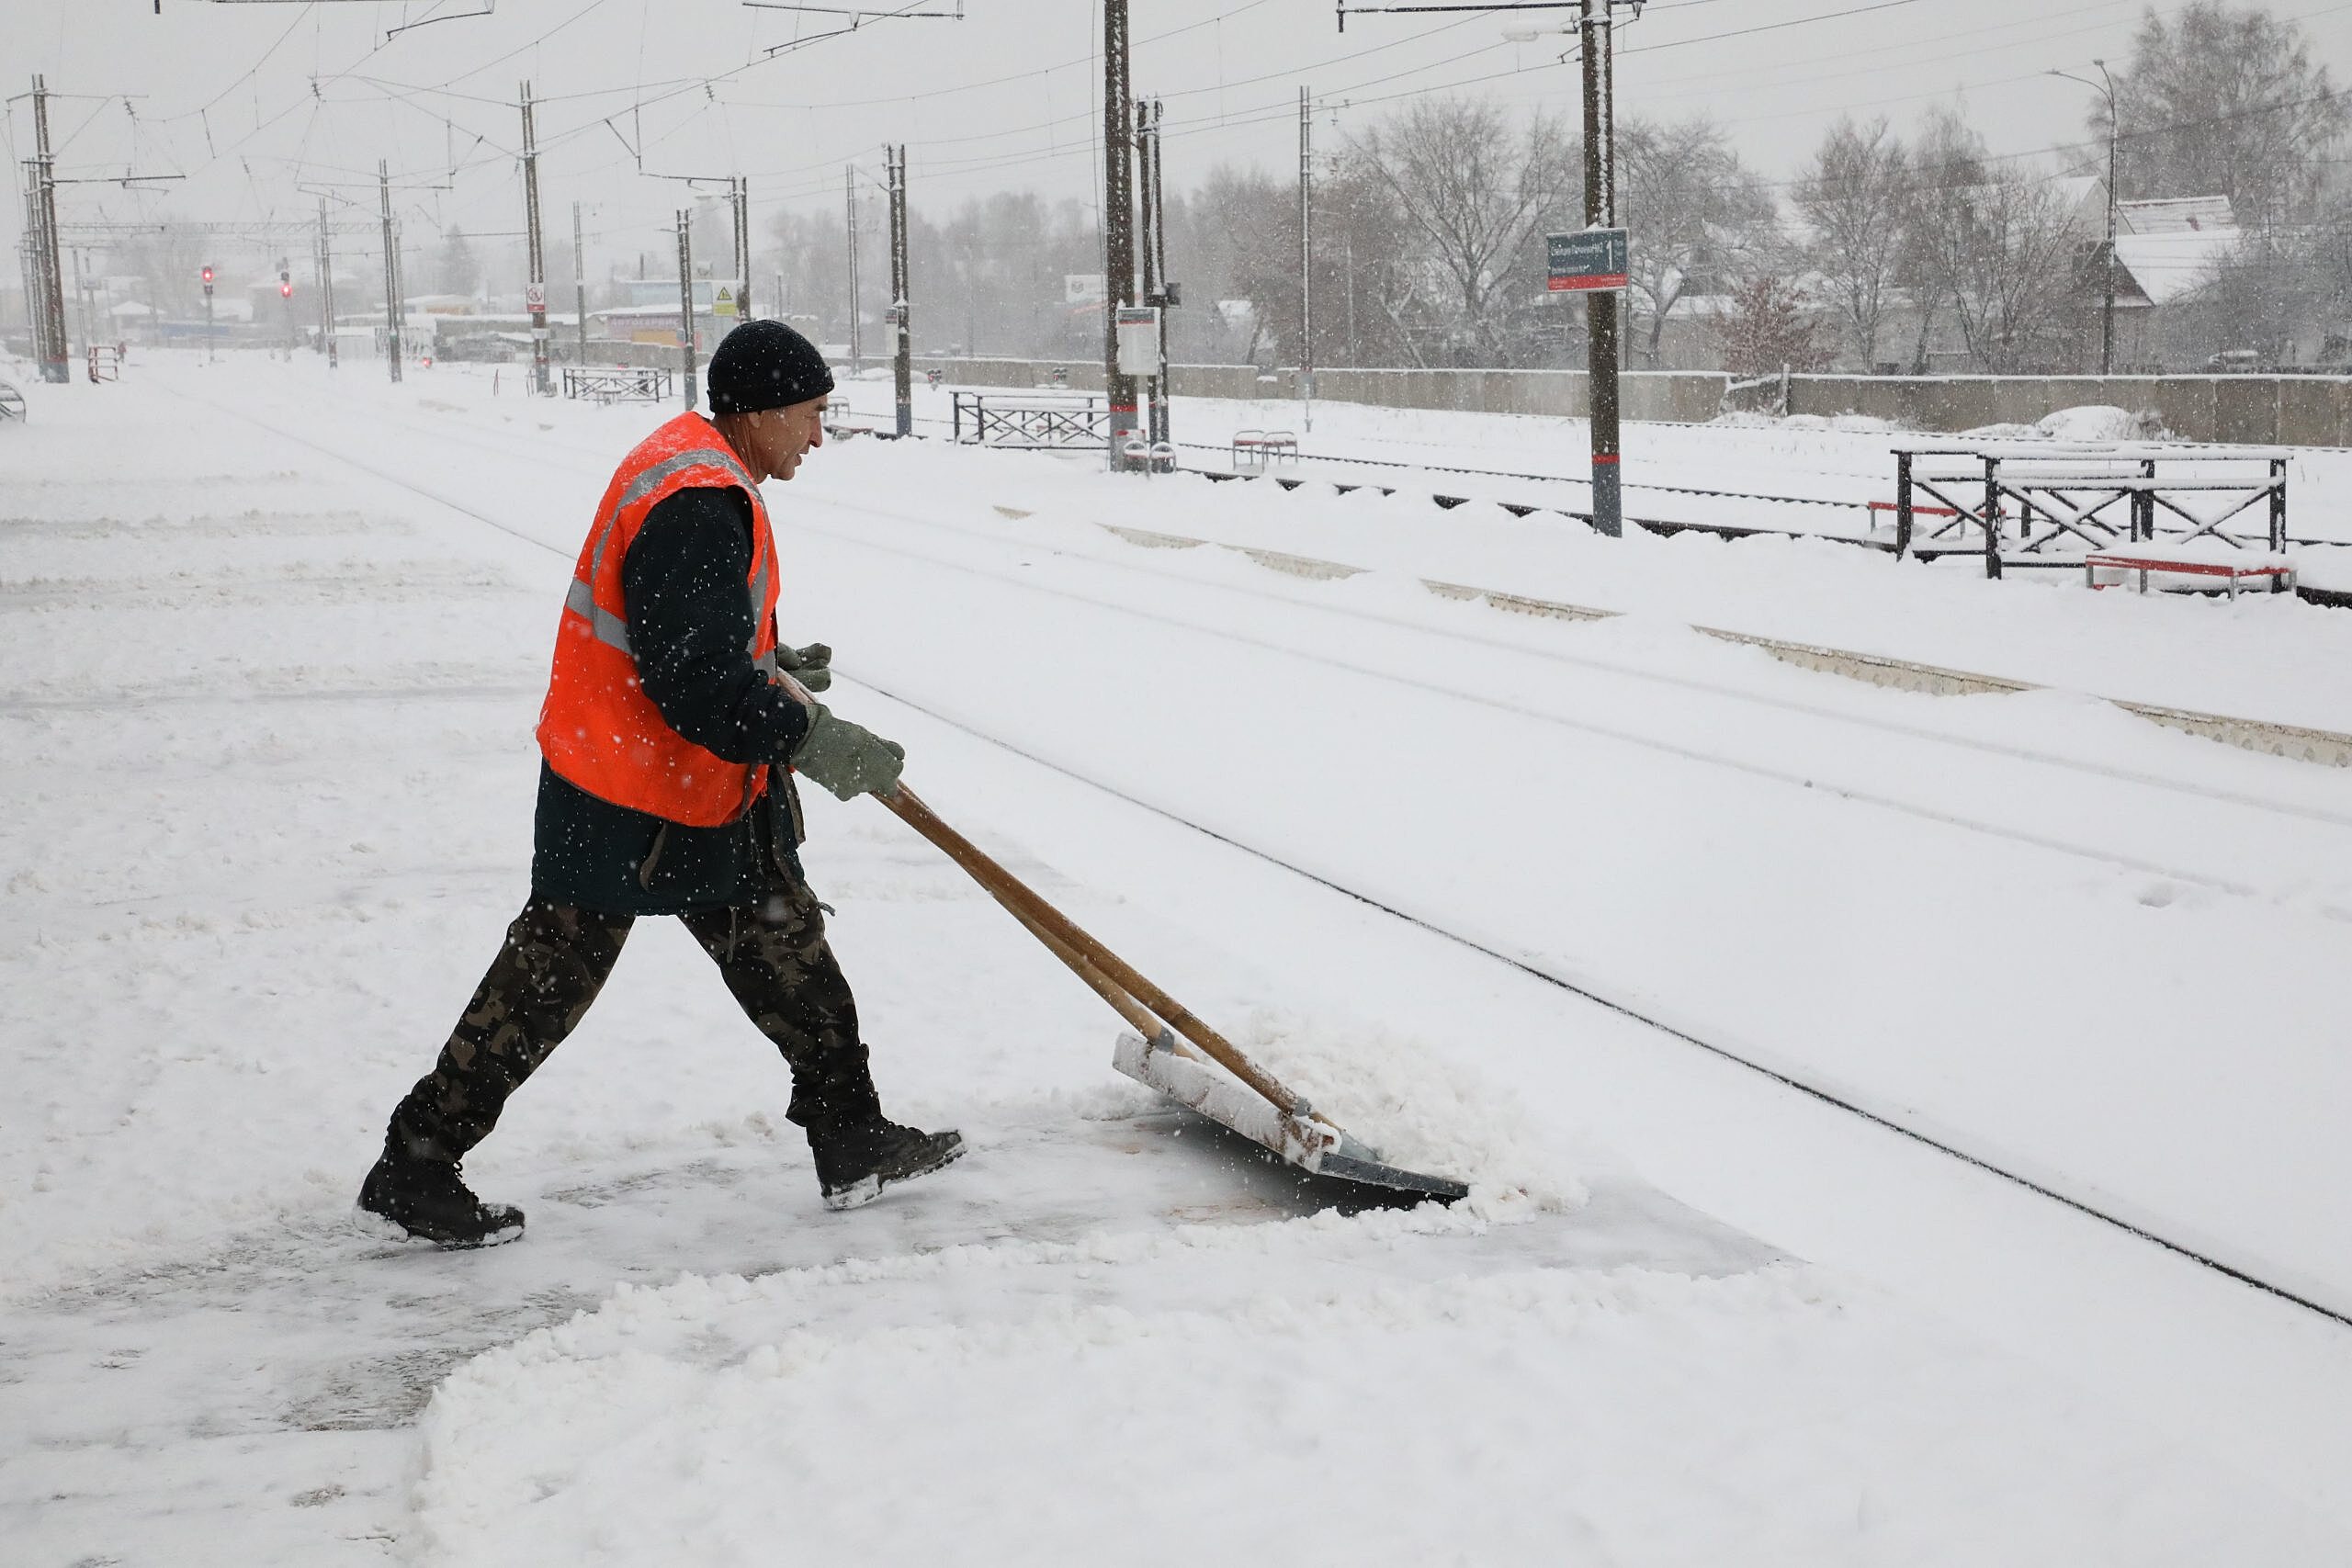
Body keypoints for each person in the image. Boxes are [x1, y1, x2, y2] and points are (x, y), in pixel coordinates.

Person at [358, 319, 961, 1248]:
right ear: (757, 411)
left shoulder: (697, 466)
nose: (816, 434)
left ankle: (851, 1135)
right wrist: (812, 735)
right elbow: (695, 683)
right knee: (547, 982)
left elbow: (689, 639)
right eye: (809, 413)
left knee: (785, 946)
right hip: (629, 793)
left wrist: (768, 659)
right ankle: (418, 1160)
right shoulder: (696, 498)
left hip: (675, 783)